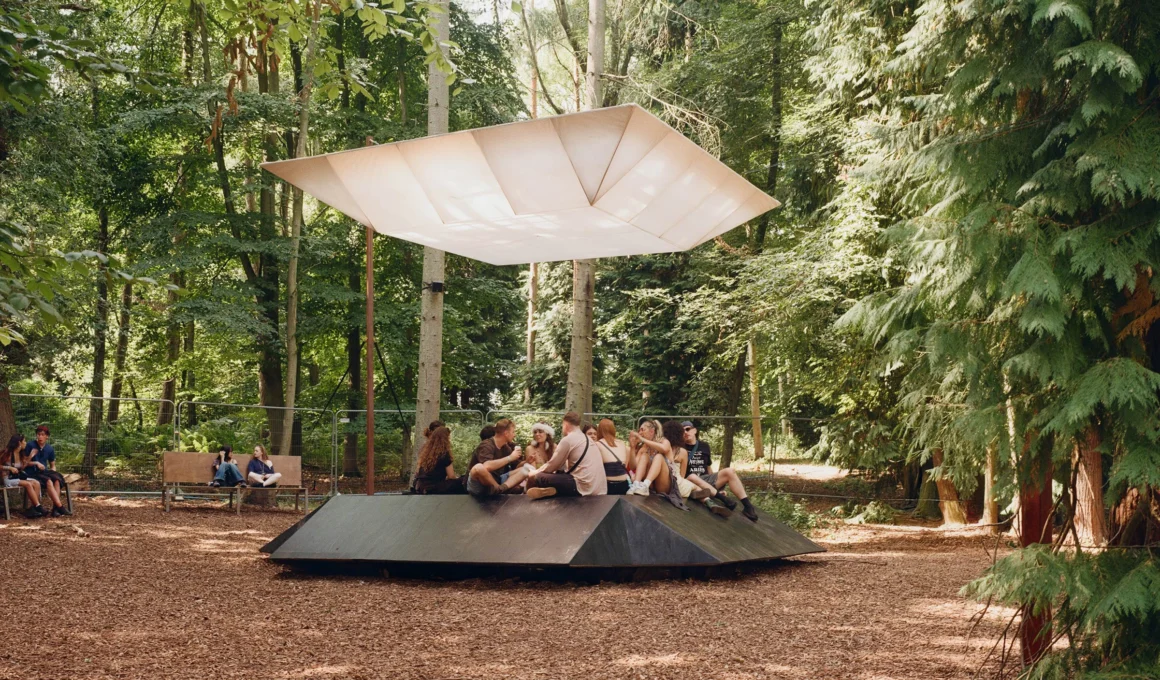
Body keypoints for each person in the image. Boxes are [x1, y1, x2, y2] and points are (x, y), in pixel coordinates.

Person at [681, 422, 760, 522]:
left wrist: (718, 486)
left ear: (694, 430)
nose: (685, 432)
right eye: (682, 431)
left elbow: (708, 467)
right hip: (690, 481)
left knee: (730, 471)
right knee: (692, 476)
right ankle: (723, 499)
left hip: (706, 480)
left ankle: (748, 507)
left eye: (687, 429)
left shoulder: (704, 446)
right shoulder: (680, 447)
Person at [526, 412, 608, 500]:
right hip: (600, 488)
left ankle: (527, 499)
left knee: (537, 477)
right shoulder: (588, 439)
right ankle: (553, 491)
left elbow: (551, 467)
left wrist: (535, 472)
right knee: (559, 475)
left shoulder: (568, 440)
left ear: (565, 425)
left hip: (583, 488)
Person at [466, 419, 529, 496]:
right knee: (478, 467)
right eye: (513, 432)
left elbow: (516, 466)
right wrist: (510, 457)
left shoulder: (505, 447)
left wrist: (527, 461)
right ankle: (498, 489)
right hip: (479, 484)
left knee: (527, 468)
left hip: (497, 479)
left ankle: (500, 490)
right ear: (506, 433)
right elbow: (486, 466)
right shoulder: (486, 445)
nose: (514, 435)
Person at [25, 425, 69, 516]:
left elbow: (53, 465)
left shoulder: (50, 448)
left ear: (47, 436)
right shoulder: (30, 445)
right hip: (32, 472)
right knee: (49, 481)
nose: (40, 437)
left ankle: (55, 509)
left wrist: (53, 473)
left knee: (57, 480)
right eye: (38, 434)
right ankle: (60, 507)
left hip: (43, 472)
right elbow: (24, 463)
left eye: (42, 435)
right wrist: (36, 463)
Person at [412, 425, 466, 494]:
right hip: (433, 487)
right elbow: (451, 476)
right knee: (462, 480)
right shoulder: (444, 454)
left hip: (420, 485)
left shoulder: (426, 452)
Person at [1, 434, 44, 518]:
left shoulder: (20, 454)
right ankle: (38, 507)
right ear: (19, 443)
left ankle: (33, 508)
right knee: (28, 484)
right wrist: (9, 468)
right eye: (24, 441)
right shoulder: (7, 454)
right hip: (8, 479)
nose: (26, 443)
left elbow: (23, 466)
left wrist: (31, 456)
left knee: (36, 483)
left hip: (17, 477)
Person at [593, 419, 631, 495]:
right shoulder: (622, 443)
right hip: (624, 484)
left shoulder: (597, 444)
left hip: (608, 486)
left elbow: (595, 468)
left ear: (599, 430)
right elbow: (625, 465)